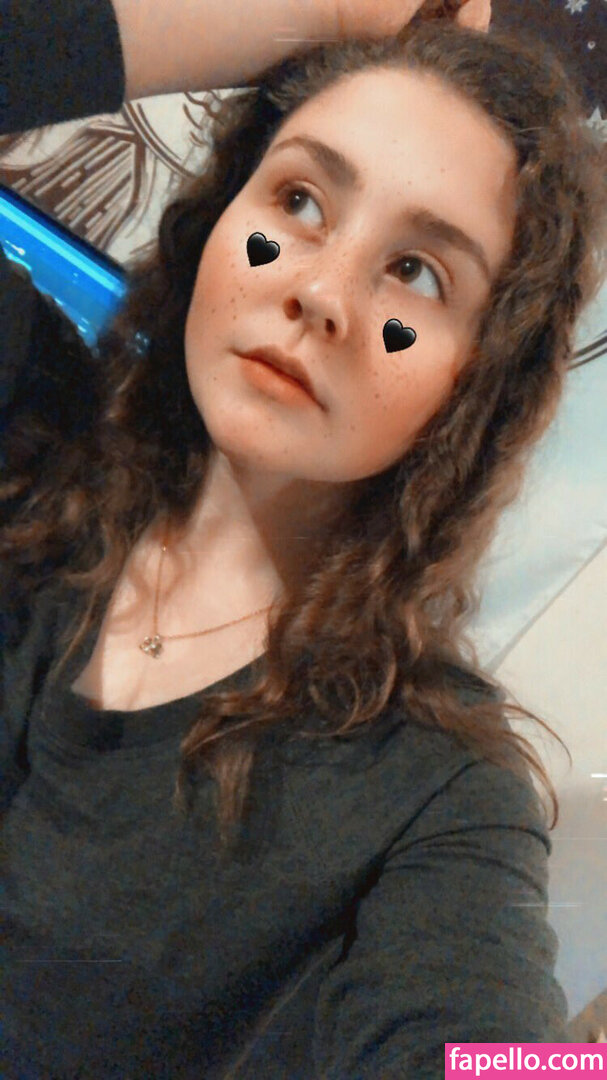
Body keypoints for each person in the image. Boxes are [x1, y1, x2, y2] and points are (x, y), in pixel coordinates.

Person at [1, 1, 605, 1077]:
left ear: (476, 387)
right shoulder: (25, 417)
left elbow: (480, 1053)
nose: (321, 291)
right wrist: (329, 13)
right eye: (298, 199)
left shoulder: (434, 795)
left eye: (418, 273)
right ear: (221, 212)